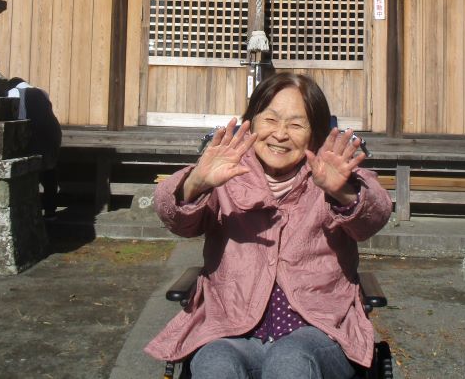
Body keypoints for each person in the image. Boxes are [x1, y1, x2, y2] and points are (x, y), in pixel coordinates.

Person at [144, 73, 392, 378]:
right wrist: (195, 183)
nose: (280, 134)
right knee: (215, 364)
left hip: (317, 330)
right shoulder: (224, 170)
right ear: (251, 121)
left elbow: (376, 214)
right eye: (270, 120)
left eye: (296, 124)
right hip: (229, 326)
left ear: (314, 133)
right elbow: (176, 219)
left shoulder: (332, 173)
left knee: (290, 361)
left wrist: (342, 191)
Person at [6, 79, 62, 219]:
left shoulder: (13, 92)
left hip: (32, 134)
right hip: (52, 133)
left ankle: (29, 211)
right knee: (49, 172)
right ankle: (50, 211)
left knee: (30, 172)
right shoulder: (41, 92)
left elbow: (16, 116)